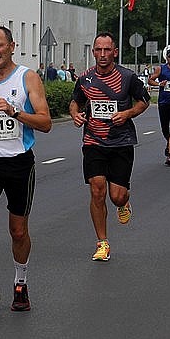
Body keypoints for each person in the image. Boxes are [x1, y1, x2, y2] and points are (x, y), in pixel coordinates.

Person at [0, 25, 51, 312]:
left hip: (19, 163)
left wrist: (15, 112)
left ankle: (20, 283)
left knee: (18, 231)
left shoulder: (28, 77)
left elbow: (46, 122)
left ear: (12, 46)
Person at [70, 32, 150, 261]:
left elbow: (144, 101)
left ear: (115, 52)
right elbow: (75, 102)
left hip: (121, 141)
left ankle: (123, 203)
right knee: (97, 190)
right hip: (93, 141)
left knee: (116, 196)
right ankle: (102, 242)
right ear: (93, 52)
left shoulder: (127, 77)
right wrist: (75, 115)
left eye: (107, 50)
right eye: (99, 50)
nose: (103, 54)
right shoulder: (85, 78)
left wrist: (127, 113)